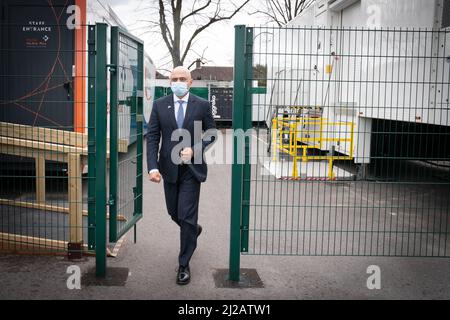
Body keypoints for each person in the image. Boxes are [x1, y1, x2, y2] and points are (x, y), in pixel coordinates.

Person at [146, 66, 217, 285]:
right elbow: (152, 137)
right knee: (174, 213)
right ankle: (194, 230)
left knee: (185, 215)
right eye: (174, 79)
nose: (178, 81)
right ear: (170, 83)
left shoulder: (202, 105)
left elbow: (212, 132)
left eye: (182, 78)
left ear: (190, 82)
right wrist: (153, 167)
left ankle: (184, 263)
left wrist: (195, 148)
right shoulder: (159, 106)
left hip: (191, 170)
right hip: (168, 169)